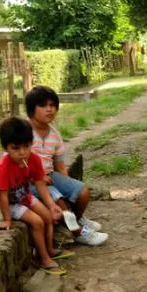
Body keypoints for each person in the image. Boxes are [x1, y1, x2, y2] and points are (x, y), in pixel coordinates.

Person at [25, 86, 108, 246]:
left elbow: (60, 165)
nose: (49, 110)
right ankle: (78, 233)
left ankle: (77, 220)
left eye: (52, 105)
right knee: (60, 203)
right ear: (31, 110)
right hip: (30, 180)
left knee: (82, 191)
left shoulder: (54, 134)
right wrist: (38, 176)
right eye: (43, 106)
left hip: (50, 175)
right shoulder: (24, 132)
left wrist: (69, 187)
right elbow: (16, 161)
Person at [0, 117, 72, 276]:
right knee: (37, 222)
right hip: (12, 203)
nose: (22, 152)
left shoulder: (33, 159)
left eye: (26, 146)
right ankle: (43, 259)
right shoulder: (2, 167)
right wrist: (7, 219)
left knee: (48, 217)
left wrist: (50, 204)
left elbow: (40, 184)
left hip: (24, 196)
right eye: (15, 148)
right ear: (6, 148)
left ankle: (49, 249)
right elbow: (3, 197)